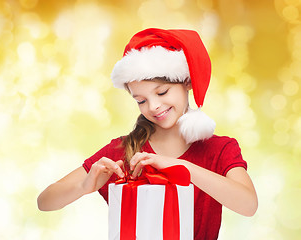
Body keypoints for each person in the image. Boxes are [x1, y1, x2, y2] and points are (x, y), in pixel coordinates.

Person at [37, 28, 258, 239]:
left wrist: (181, 169)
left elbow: (248, 205)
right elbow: (45, 201)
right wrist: (84, 187)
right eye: (141, 100)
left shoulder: (219, 149)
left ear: (187, 82)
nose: (153, 106)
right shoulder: (125, 151)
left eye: (162, 92)